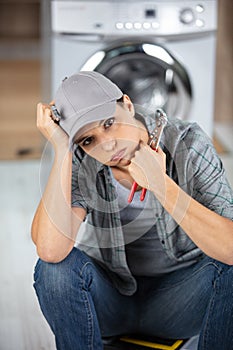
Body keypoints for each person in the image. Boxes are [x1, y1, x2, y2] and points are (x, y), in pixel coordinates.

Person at [32, 71, 233, 350]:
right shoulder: (79, 159)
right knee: (54, 270)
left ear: (127, 104)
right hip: (112, 302)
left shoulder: (187, 142)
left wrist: (161, 185)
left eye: (109, 123)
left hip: (182, 301)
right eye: (87, 139)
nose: (107, 144)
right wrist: (61, 149)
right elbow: (50, 250)